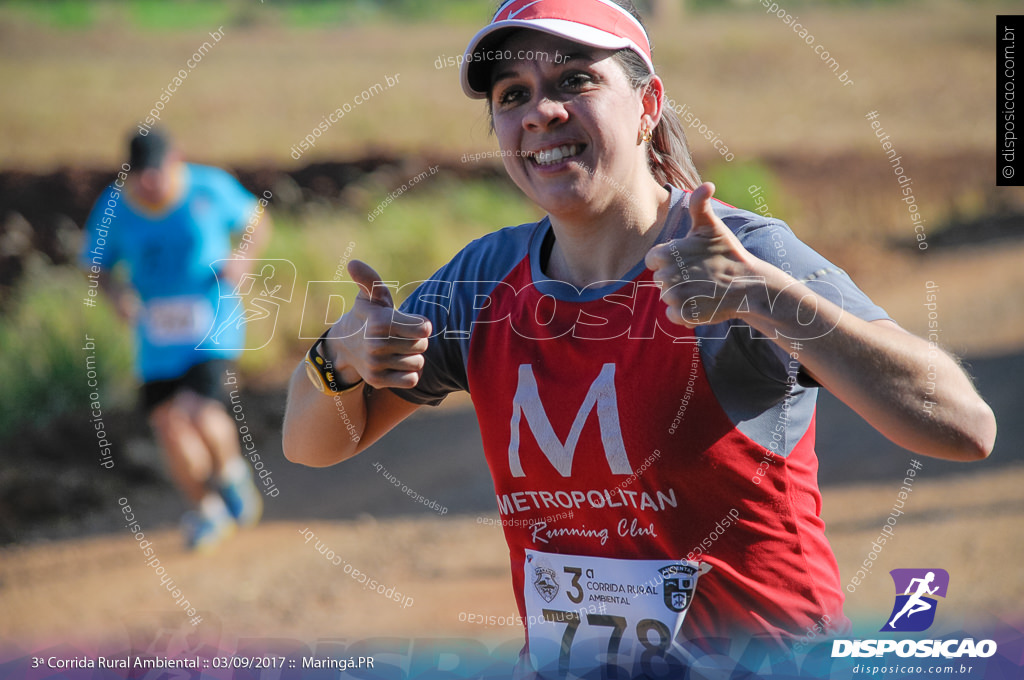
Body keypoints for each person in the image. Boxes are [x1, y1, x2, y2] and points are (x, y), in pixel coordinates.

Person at [282, 0, 996, 674]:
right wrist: (335, 358)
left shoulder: (739, 257)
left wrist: (765, 297)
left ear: (648, 105)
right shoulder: (484, 279)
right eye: (513, 96)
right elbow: (313, 445)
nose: (541, 112)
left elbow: (965, 426)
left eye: (574, 81)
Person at [81, 129, 271, 552]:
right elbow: (95, 264)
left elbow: (257, 221)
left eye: (158, 174)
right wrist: (117, 297)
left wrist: (244, 260)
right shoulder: (114, 206)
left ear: (176, 161)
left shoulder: (209, 186)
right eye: (141, 178)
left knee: (198, 411)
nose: (151, 185)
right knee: (168, 425)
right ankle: (209, 510)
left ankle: (233, 476)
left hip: (212, 322)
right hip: (156, 338)